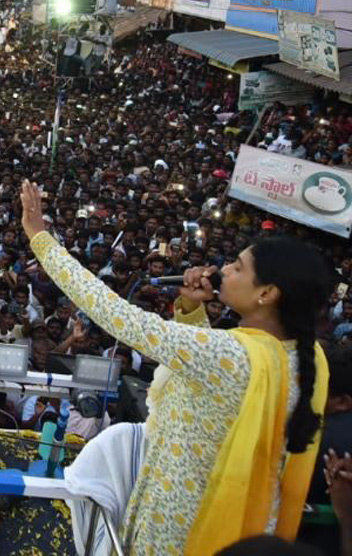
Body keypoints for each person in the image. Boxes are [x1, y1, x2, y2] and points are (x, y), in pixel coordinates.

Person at [19, 180, 330, 555]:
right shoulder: (307, 356)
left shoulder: (232, 355)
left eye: (237, 267)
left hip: (181, 523)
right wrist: (193, 312)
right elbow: (214, 388)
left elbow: (117, 315)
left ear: (267, 293)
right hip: (240, 522)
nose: (222, 270)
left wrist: (41, 239)